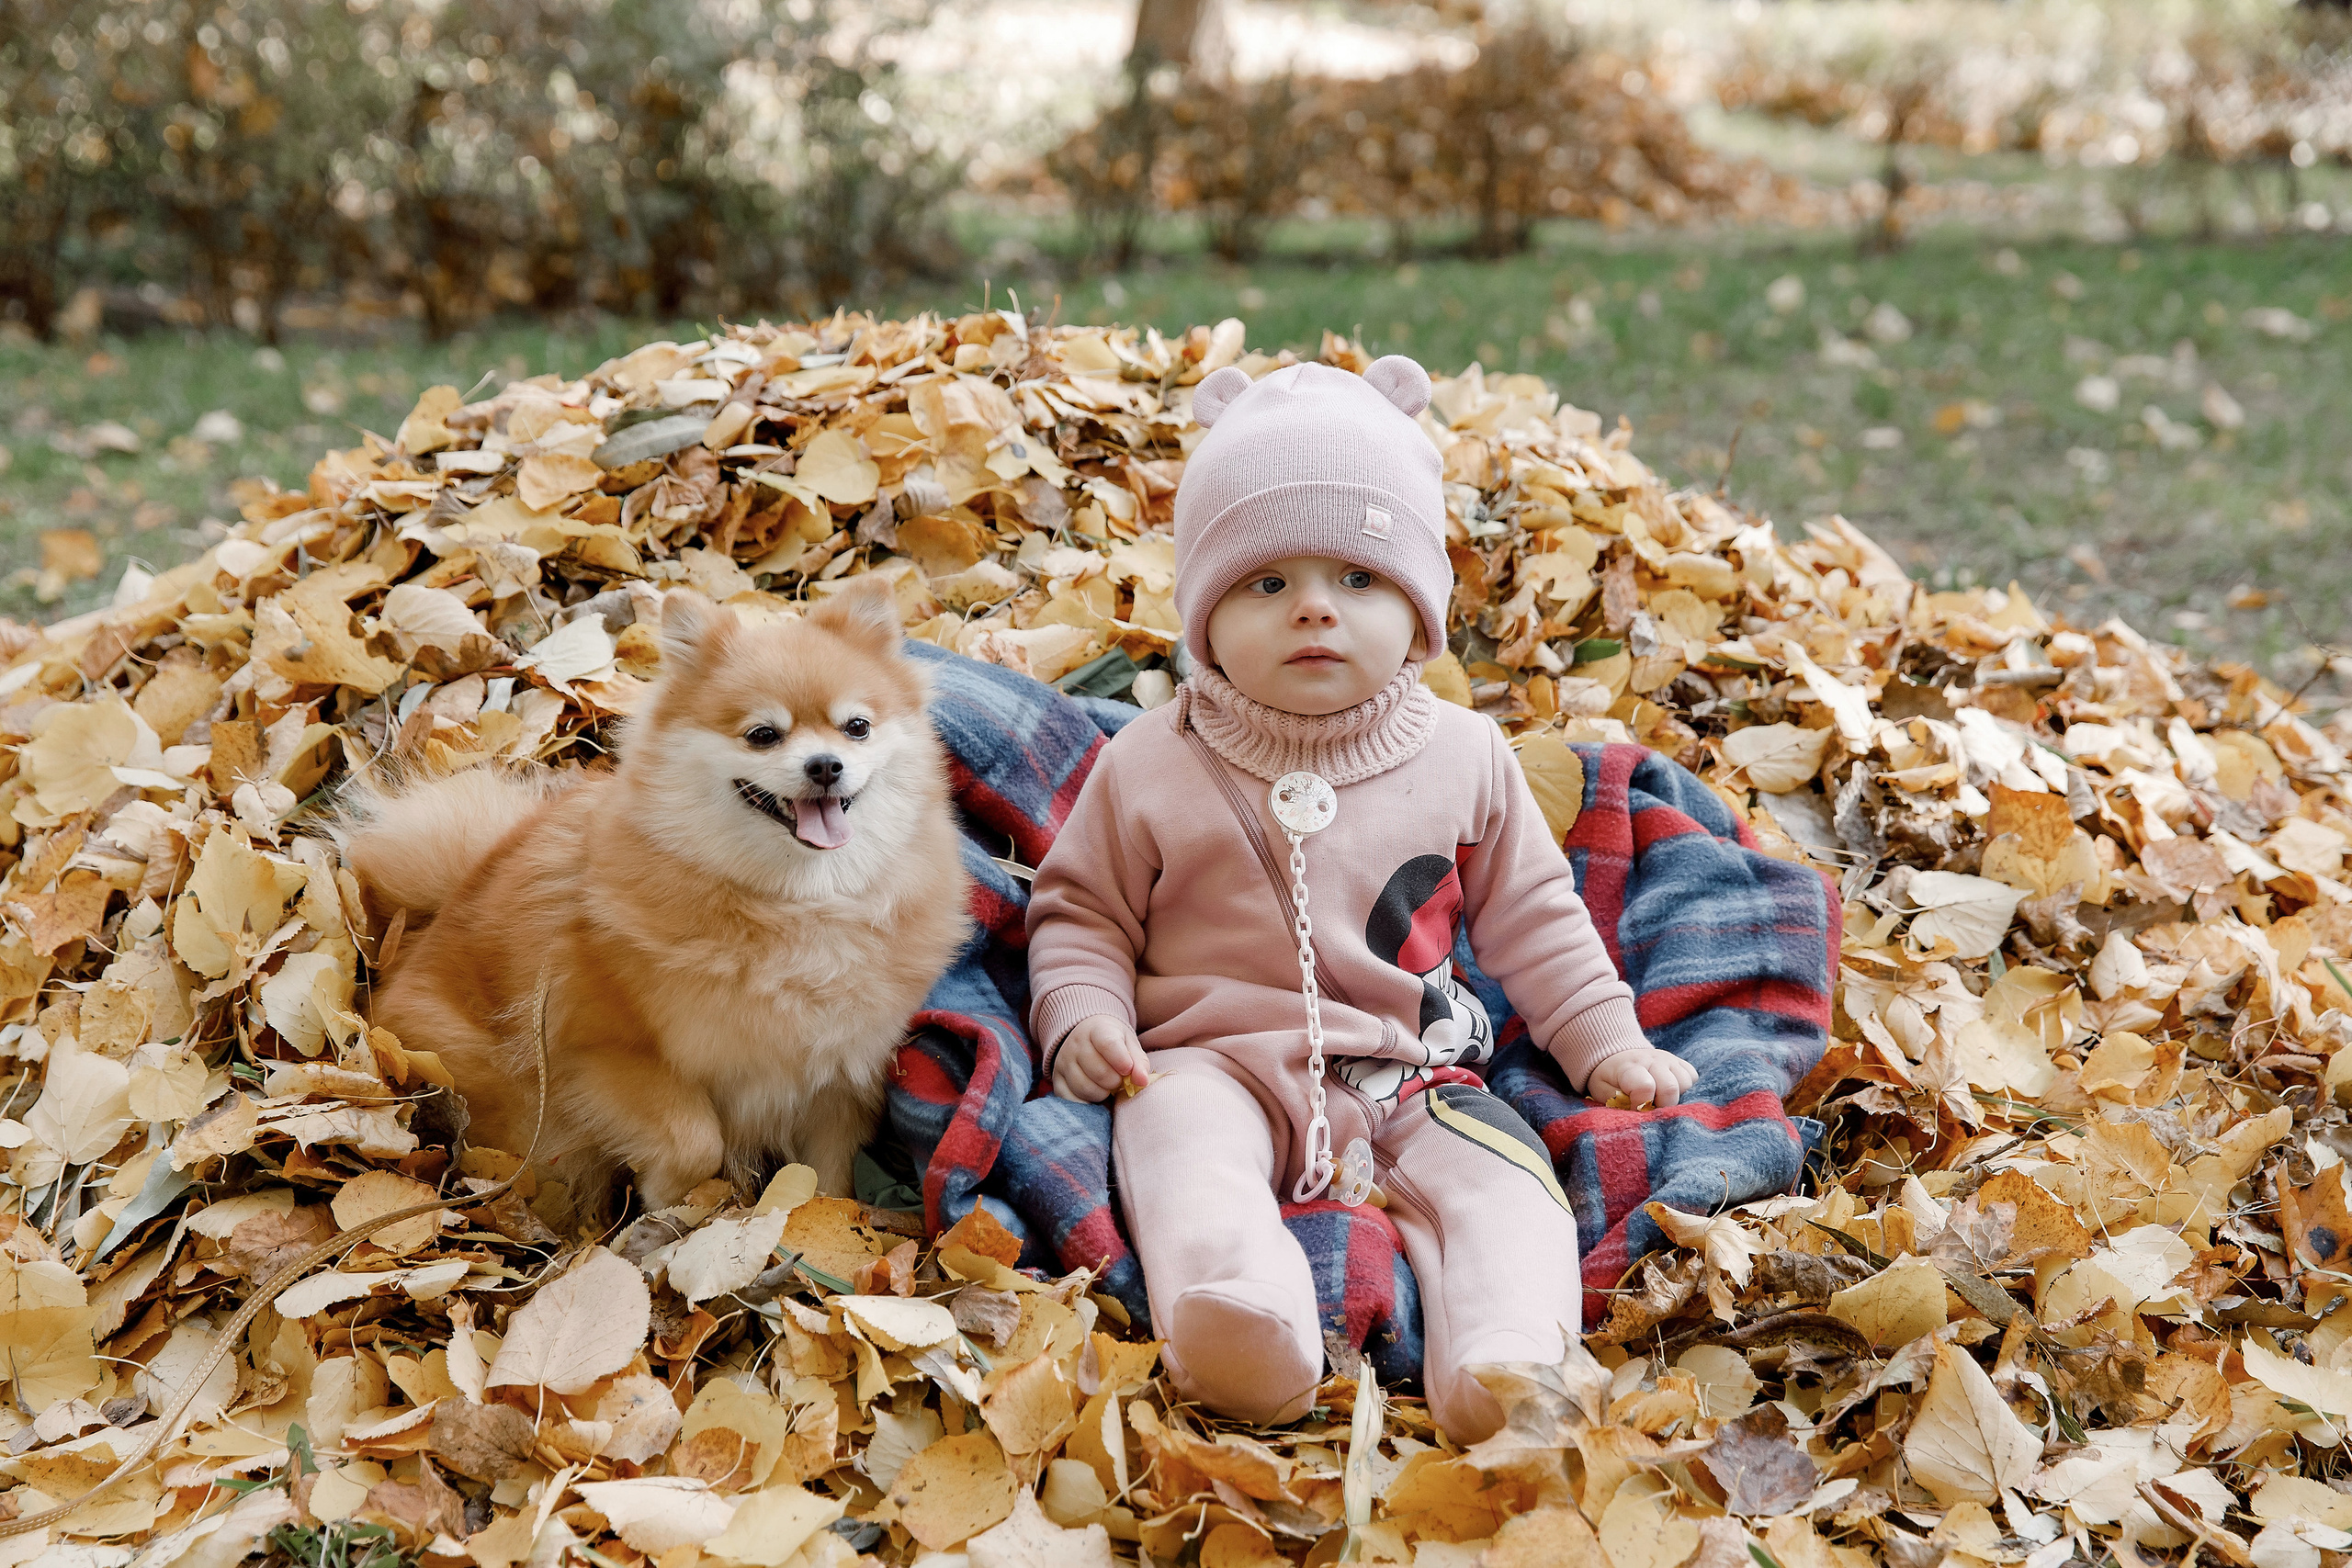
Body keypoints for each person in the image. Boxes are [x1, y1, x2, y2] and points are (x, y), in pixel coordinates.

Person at [1023, 354, 1696, 1443]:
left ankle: (1506, 1356)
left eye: (1358, 579)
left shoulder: (1468, 754)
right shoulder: (1151, 761)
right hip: (1210, 1059)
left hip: (1411, 1066)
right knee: (1180, 1155)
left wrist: (1604, 1043)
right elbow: (1081, 915)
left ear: (1419, 609)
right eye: (1266, 583)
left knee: (1507, 1190)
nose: (1314, 613)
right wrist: (1084, 1019)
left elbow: (1535, 919)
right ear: (1202, 613)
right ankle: (1242, 1318)